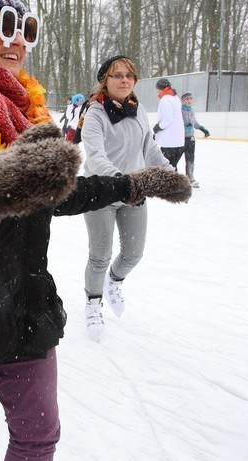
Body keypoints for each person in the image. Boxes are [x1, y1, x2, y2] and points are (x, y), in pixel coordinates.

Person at [0, 1, 192, 461]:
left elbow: (51, 192)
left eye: (26, 28)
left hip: (27, 308)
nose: (19, 40)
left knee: (38, 439)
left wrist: (128, 184)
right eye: (5, 27)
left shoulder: (26, 113)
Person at [80, 56, 176, 340]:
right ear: (105, 81)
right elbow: (96, 157)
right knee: (100, 256)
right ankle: (93, 302)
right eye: (117, 75)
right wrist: (123, 182)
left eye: (129, 75)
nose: (124, 80)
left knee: (134, 253)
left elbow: (151, 149)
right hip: (100, 192)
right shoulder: (95, 114)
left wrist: (172, 176)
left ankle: (114, 281)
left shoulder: (139, 110)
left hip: (134, 192)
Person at [180, 92, 210, 188]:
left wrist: (202, 129)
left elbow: (193, 122)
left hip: (190, 138)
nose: (189, 101)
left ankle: (190, 178)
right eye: (187, 99)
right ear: (183, 101)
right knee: (174, 160)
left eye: (190, 99)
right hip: (180, 139)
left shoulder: (191, 110)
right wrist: (185, 127)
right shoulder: (180, 110)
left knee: (190, 159)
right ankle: (173, 179)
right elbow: (177, 124)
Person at [153, 78, 184, 168]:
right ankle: (178, 182)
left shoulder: (165, 99)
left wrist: (158, 127)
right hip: (178, 141)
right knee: (172, 167)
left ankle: (175, 182)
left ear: (159, 88)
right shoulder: (175, 98)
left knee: (167, 169)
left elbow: (168, 118)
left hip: (169, 141)